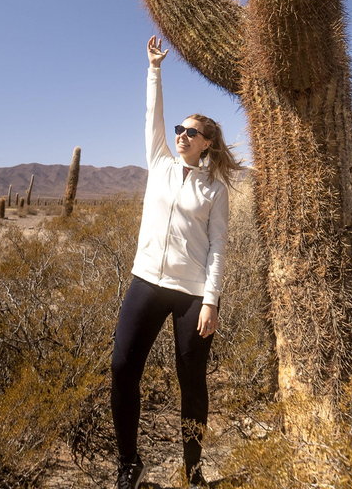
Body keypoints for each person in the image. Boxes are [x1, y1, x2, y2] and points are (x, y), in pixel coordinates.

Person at [111, 36, 242, 489]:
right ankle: (129, 463)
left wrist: (212, 301)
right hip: (146, 281)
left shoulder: (215, 189)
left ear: (206, 144)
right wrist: (154, 69)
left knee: (193, 381)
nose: (180, 136)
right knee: (123, 366)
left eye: (191, 133)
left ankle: (193, 466)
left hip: (191, 296)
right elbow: (154, 117)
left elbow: (219, 247)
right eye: (180, 131)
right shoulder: (161, 163)